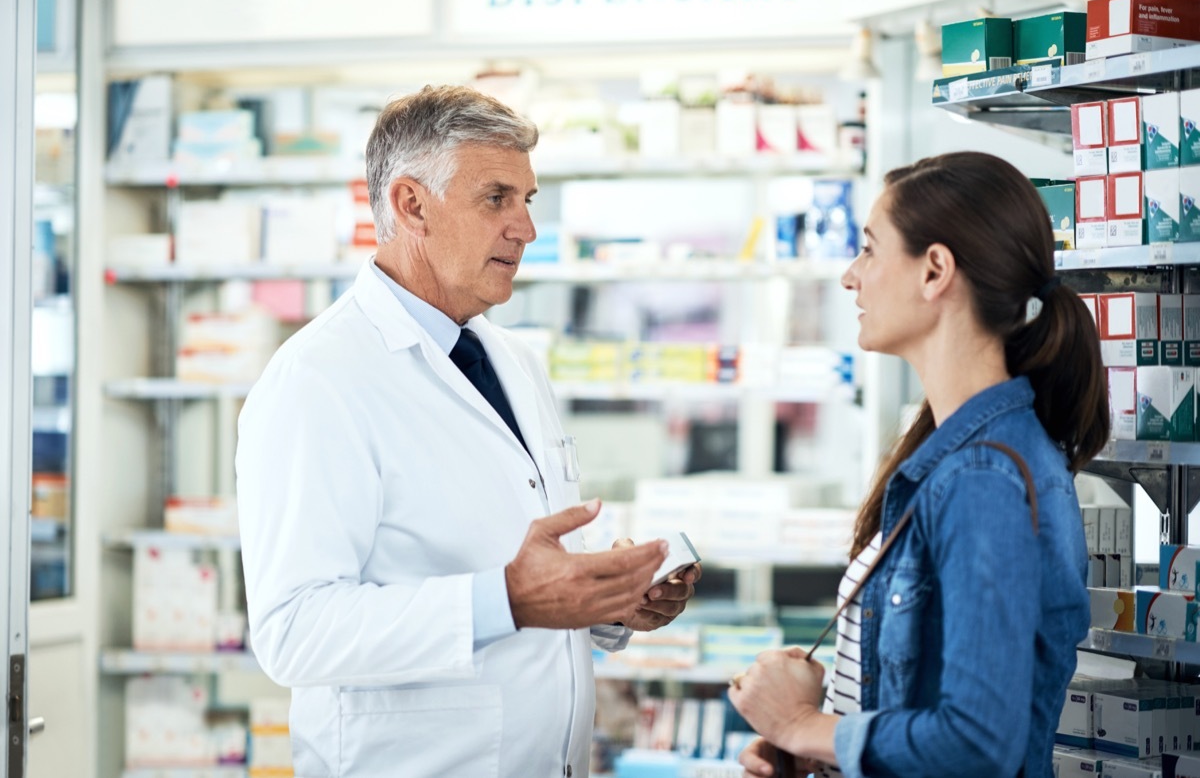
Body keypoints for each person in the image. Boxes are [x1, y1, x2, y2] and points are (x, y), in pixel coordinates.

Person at [236, 85, 700, 778]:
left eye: (528, 200)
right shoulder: (317, 379)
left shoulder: (510, 359)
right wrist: (506, 600)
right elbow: (294, 632)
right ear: (411, 205)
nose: (525, 229)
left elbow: (518, 556)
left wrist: (608, 599)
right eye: (496, 199)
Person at [729, 151, 1108, 778]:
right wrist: (820, 750)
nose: (851, 276)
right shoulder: (954, 454)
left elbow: (979, 743)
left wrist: (803, 724)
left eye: (871, 250)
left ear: (935, 271)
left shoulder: (981, 479)